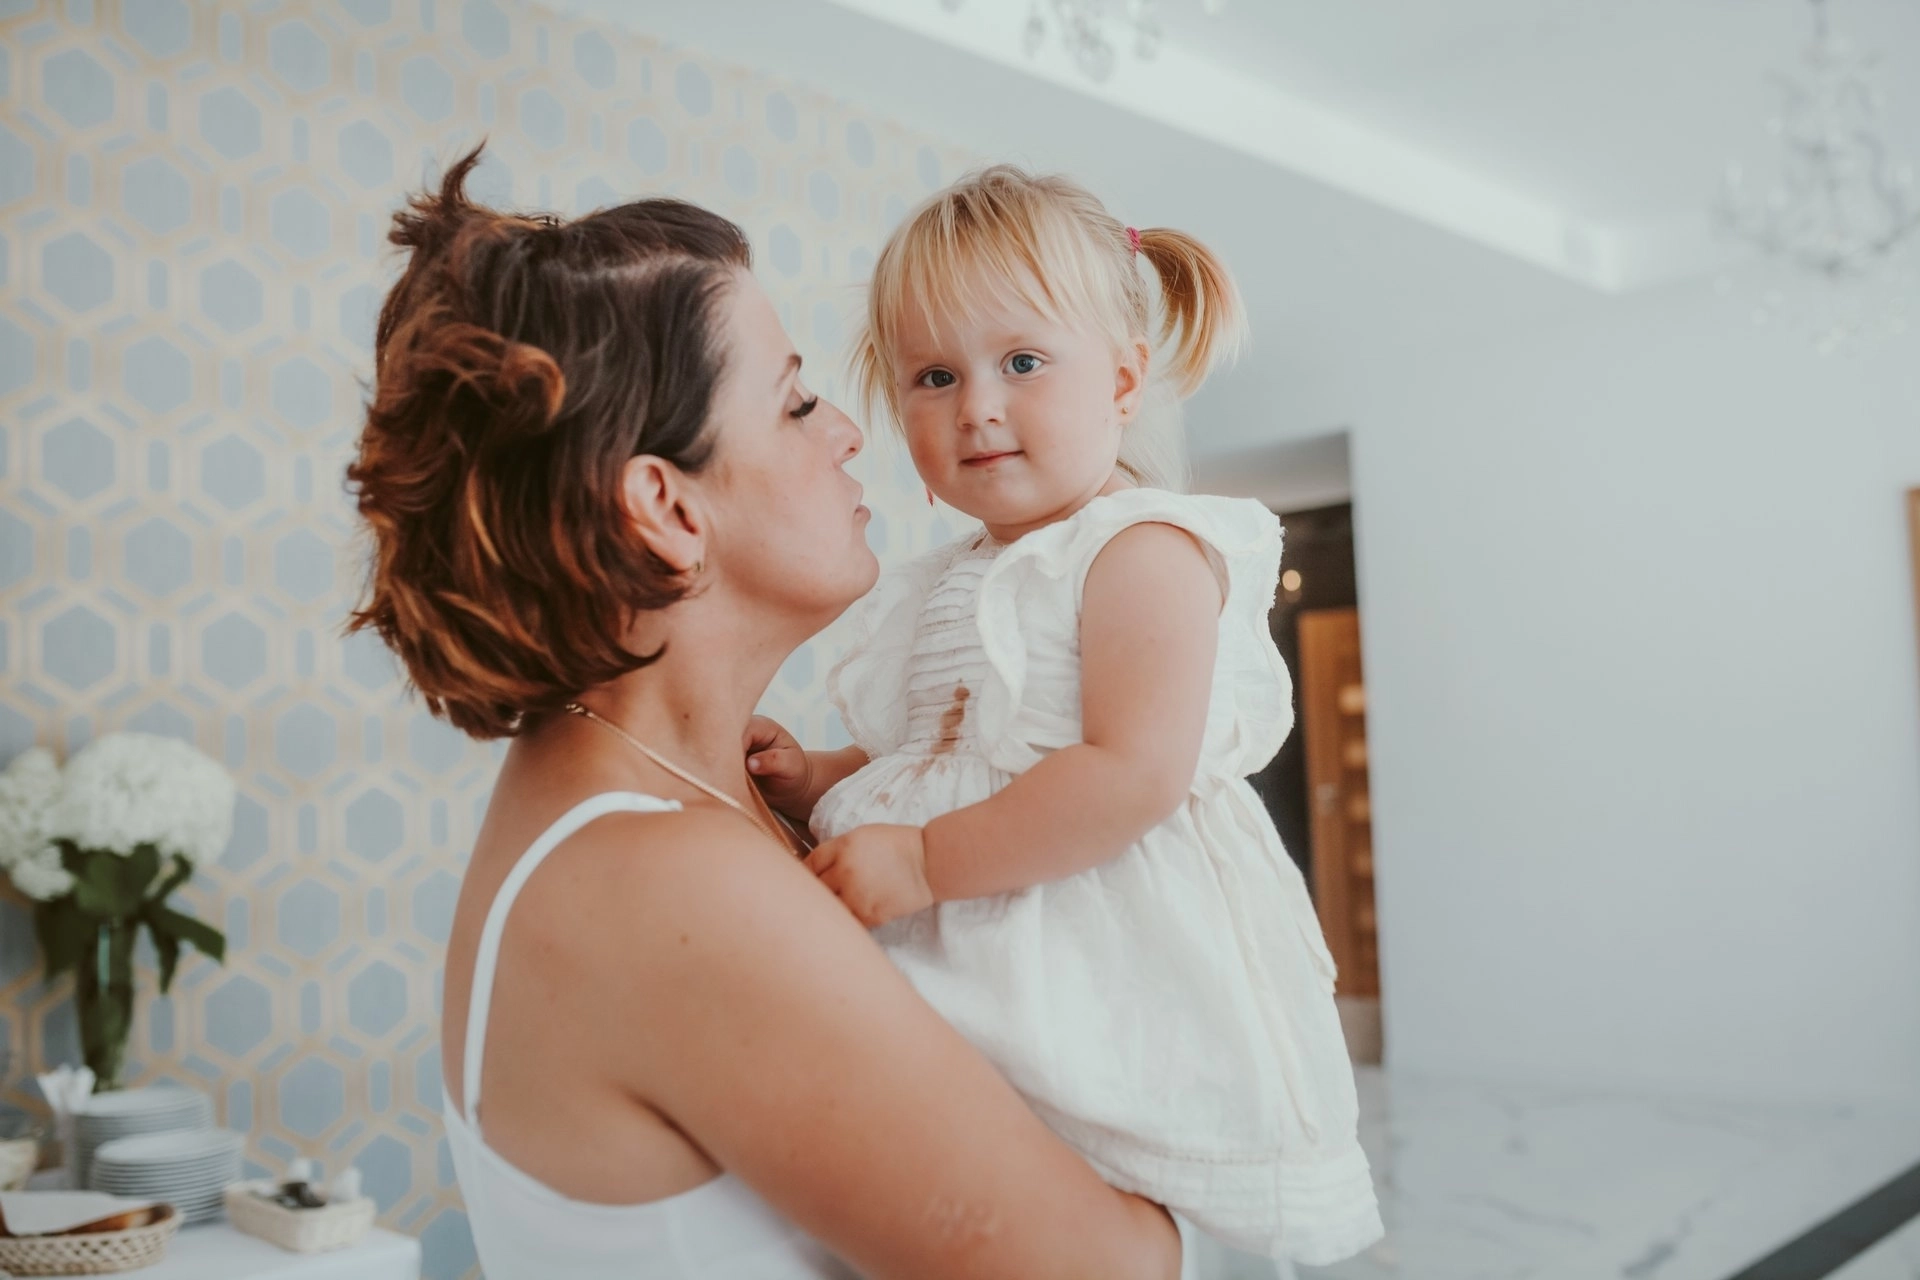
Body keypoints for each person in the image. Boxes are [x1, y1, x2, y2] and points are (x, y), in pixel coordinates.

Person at [345, 145, 1196, 1280]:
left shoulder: (692, 802)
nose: (849, 429)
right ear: (666, 509)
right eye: (794, 401)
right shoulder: (669, 881)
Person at [745, 166, 1382, 1262]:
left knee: (1083, 1188)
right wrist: (821, 775)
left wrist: (929, 861)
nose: (977, 406)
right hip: (970, 930)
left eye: (1023, 363)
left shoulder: (1139, 550)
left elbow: (1132, 773)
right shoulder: (952, 577)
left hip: (1095, 941)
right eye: (934, 376)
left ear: (1124, 381)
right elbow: (939, 755)